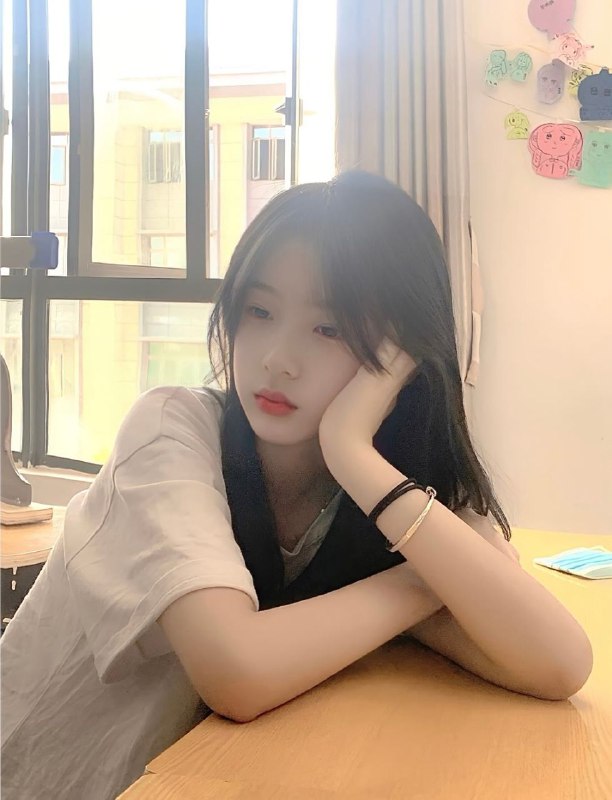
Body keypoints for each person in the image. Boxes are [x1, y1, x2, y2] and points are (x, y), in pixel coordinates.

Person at [1, 171, 592, 800]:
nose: (277, 358)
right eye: (259, 311)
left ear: (404, 359)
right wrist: (425, 580)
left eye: (329, 328)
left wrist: (353, 455)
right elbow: (237, 673)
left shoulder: (391, 485)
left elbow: (559, 664)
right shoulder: (171, 430)